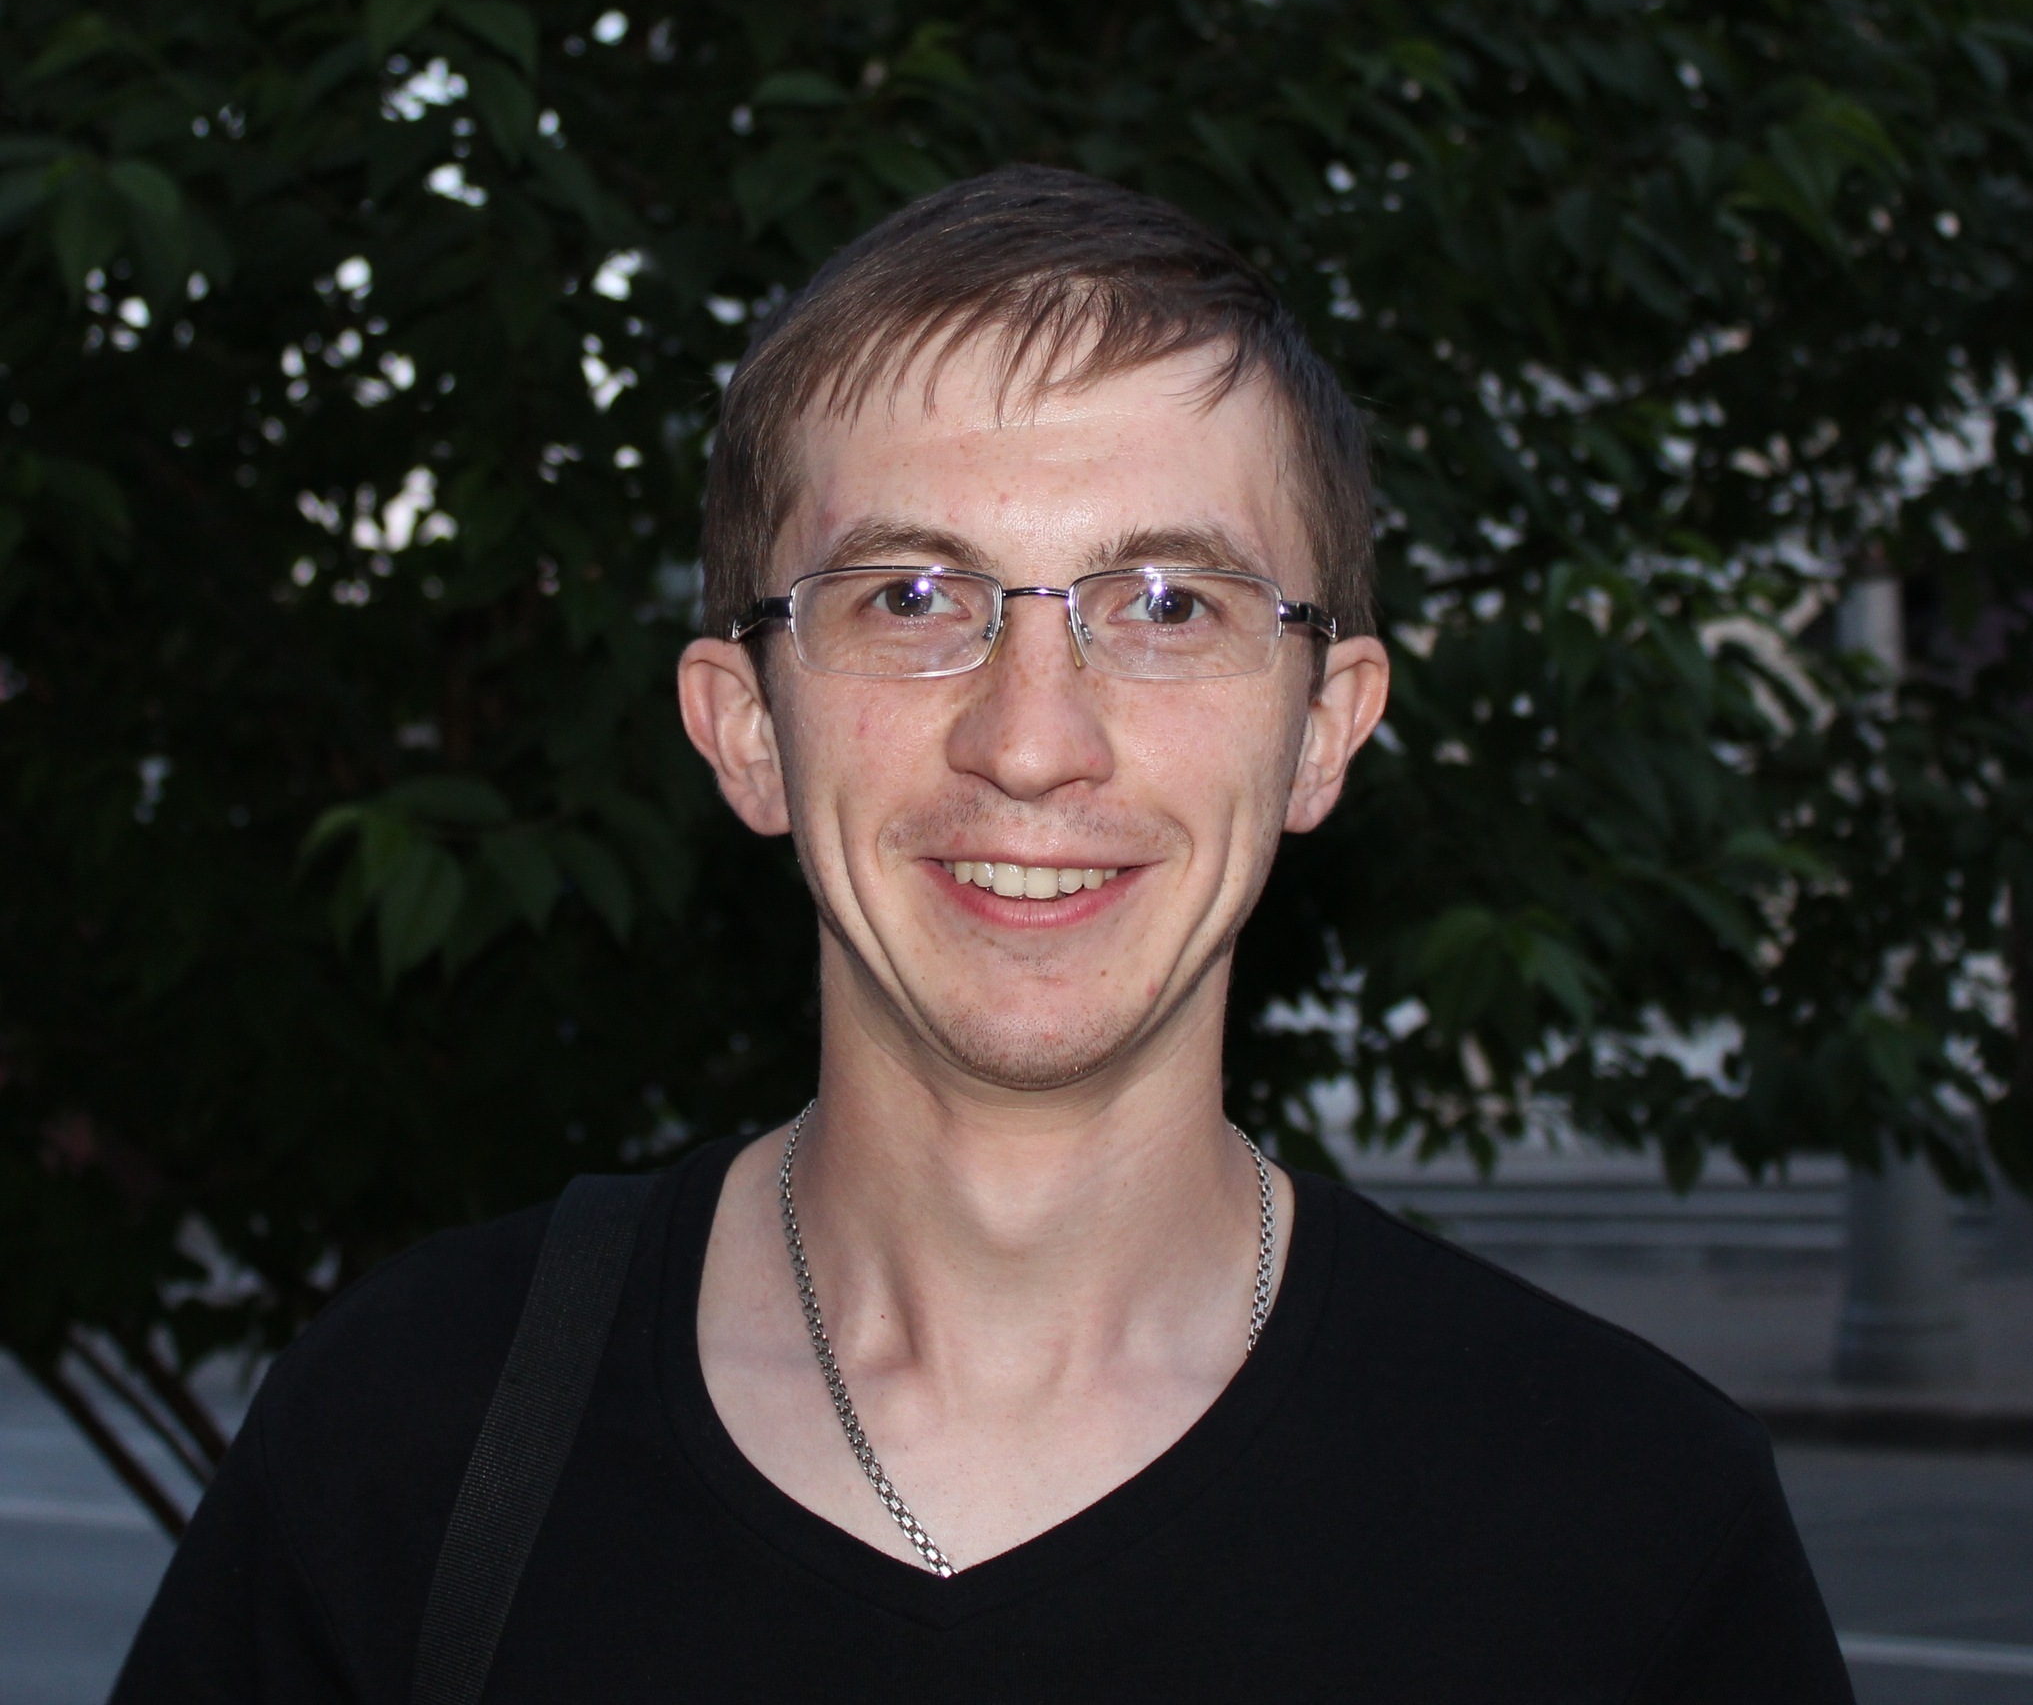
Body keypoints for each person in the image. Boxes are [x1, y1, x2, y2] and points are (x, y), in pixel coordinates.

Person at [115, 167, 1852, 1701]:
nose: (1029, 742)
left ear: (1321, 730)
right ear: (745, 728)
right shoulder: (412, 1433)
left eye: (1164, 604)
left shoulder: (1624, 1511)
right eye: (909, 597)